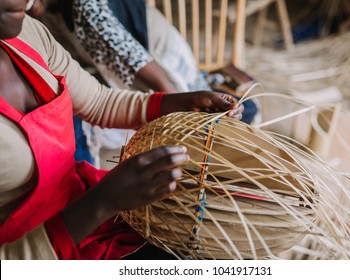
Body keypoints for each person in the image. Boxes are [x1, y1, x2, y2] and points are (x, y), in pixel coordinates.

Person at [0, 0, 243, 260]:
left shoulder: (28, 34)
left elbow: (98, 102)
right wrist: (101, 202)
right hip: (45, 249)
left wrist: (177, 103)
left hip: (86, 202)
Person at [27, 0, 258, 166]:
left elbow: (143, 66)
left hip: (165, 69)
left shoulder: (86, 7)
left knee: (196, 122)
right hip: (129, 79)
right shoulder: (47, 16)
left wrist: (184, 122)